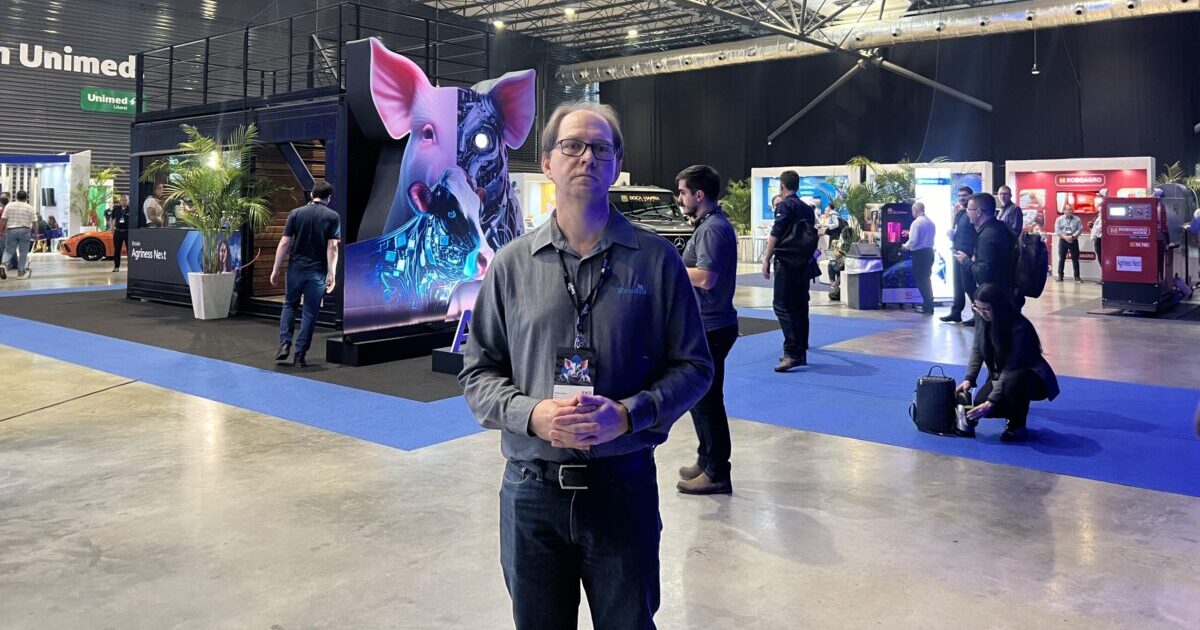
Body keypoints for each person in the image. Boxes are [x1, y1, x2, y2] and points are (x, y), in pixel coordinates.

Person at [459, 102, 713, 630]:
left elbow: (694, 367)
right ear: (547, 163)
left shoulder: (657, 261)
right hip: (531, 493)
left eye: (600, 148)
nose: (586, 157)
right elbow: (478, 372)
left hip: (623, 488)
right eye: (571, 145)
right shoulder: (511, 265)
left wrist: (628, 414)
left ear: (616, 165)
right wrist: (532, 415)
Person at [675, 164, 738, 496]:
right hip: (708, 323)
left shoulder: (712, 229)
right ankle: (706, 459)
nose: (680, 199)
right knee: (701, 398)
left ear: (699, 195)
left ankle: (717, 471)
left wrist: (672, 267)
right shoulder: (709, 225)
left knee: (708, 400)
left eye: (683, 192)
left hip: (713, 325)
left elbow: (706, 277)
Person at [957, 283, 1059, 442]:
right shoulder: (981, 318)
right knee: (979, 403)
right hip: (1004, 375)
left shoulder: (1020, 327)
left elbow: (1011, 369)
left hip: (1031, 378)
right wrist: (969, 378)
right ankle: (1013, 408)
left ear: (999, 306)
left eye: (986, 309)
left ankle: (1017, 425)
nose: (982, 313)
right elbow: (978, 349)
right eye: (977, 308)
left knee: (1012, 386)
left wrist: (991, 402)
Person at [271, 180, 340, 368]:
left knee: (289, 304)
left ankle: (285, 344)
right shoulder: (333, 216)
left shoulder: (295, 213)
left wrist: (276, 268)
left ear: (311, 194)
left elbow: (284, 243)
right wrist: (332, 273)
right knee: (310, 312)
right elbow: (333, 247)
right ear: (329, 198)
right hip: (317, 271)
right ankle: (300, 355)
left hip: (295, 269)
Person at [761, 170, 818, 371]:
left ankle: (792, 352)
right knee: (800, 305)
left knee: (782, 305)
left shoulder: (785, 205)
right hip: (803, 263)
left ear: (782, 186)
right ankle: (801, 349)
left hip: (787, 261)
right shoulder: (807, 209)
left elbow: (776, 232)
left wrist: (766, 258)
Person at [956, 193, 1015, 294]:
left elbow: (985, 273)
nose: (967, 213)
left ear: (978, 212)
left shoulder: (988, 236)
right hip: (1007, 289)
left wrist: (966, 262)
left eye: (968, 210)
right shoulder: (1001, 227)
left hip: (995, 294)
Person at [941, 186, 978, 327]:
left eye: (965, 195)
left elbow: (977, 234)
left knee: (968, 285)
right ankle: (956, 312)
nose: (962, 198)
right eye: (960, 195)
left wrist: (974, 254)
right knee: (957, 285)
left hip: (968, 255)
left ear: (971, 196)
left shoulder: (973, 214)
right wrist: (952, 235)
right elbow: (957, 231)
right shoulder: (959, 214)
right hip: (957, 252)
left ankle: (978, 314)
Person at [902, 201, 936, 315]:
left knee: (921, 280)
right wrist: (910, 233)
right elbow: (923, 237)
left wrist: (905, 246)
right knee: (926, 279)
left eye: (912, 211)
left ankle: (927, 306)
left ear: (915, 210)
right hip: (929, 252)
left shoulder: (916, 223)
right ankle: (929, 304)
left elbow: (914, 240)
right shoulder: (930, 222)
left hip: (920, 254)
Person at [1, 190, 37, 279]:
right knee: (23, 252)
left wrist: (1, 230)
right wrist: (36, 233)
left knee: (8, 250)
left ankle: (3, 264)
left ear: (16, 196)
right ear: (26, 198)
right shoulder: (29, 207)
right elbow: (35, 222)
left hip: (11, 230)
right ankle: (21, 273)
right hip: (25, 230)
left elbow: (3, 219)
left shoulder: (9, 206)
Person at [1055, 203, 1083, 282]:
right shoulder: (1059, 219)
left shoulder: (1077, 219)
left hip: (1073, 240)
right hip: (1063, 240)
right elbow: (1057, 230)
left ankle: (1077, 277)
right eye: (1068, 209)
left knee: (1075, 259)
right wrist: (1065, 237)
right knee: (1061, 259)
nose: (1070, 211)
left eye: (1071, 209)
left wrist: (1073, 236)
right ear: (1064, 211)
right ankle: (1060, 276)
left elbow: (1080, 229)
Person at [107, 194, 131, 271]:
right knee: (117, 250)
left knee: (129, 250)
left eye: (126, 200)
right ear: (120, 201)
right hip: (118, 232)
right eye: (123, 200)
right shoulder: (116, 209)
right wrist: (111, 227)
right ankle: (116, 267)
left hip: (128, 232)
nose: (124, 201)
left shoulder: (131, 209)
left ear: (128, 201)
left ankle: (130, 267)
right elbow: (111, 218)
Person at [1090, 214, 1104, 279]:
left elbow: (1099, 228)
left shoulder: (1104, 216)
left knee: (1102, 258)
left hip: (1101, 238)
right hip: (1097, 239)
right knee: (1100, 257)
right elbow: (1095, 228)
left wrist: (1094, 235)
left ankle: (1104, 277)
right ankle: (1103, 276)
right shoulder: (1098, 217)